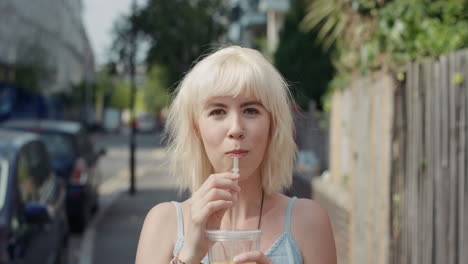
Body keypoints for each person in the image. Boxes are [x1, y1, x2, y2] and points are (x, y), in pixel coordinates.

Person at [135, 46, 336, 264]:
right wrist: (189, 255)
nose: (236, 128)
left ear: (272, 125)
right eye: (218, 112)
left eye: (251, 110)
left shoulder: (308, 221)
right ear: (197, 129)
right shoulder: (163, 223)